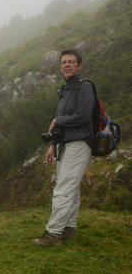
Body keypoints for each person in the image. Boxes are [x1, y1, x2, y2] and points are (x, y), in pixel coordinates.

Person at [33, 49, 95, 247]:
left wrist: (58, 119)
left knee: (63, 189)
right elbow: (58, 125)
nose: (67, 65)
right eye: (64, 62)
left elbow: (83, 116)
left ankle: (53, 234)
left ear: (80, 65)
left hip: (79, 143)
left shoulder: (85, 87)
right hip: (65, 144)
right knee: (72, 188)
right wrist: (52, 145)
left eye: (71, 62)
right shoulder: (66, 89)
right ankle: (68, 228)